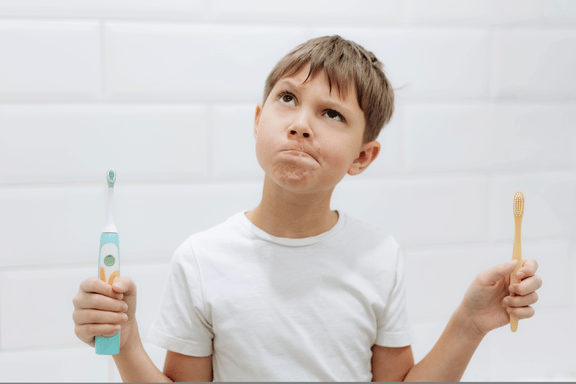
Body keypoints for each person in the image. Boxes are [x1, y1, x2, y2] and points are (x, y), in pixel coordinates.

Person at [72, 35, 542, 382]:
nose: (300, 125)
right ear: (259, 122)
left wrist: (469, 324)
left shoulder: (379, 257)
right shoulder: (202, 259)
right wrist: (126, 340)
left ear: (363, 156)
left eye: (331, 114)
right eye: (288, 99)